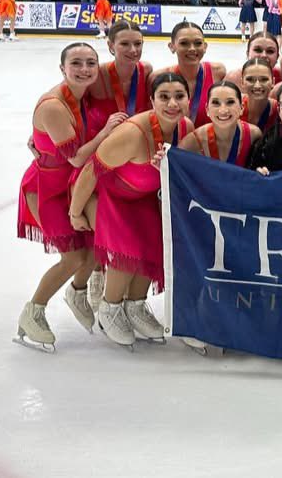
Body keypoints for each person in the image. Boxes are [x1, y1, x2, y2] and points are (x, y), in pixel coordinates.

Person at [68, 72, 193, 347]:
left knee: (157, 244)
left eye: (179, 96)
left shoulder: (185, 127)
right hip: (107, 193)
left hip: (144, 197)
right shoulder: (133, 135)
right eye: (164, 97)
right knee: (128, 250)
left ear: (188, 99)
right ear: (152, 100)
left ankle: (135, 305)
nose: (172, 103)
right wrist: (75, 212)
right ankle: (109, 307)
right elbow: (89, 172)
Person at [15, 43, 127, 351]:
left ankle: (77, 291)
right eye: (76, 63)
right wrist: (104, 133)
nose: (85, 69)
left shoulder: (83, 95)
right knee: (73, 257)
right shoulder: (54, 105)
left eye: (91, 63)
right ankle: (33, 312)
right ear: (62, 68)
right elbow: (76, 158)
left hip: (72, 183)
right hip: (47, 188)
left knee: (93, 249)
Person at [152, 22, 227, 128]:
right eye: (184, 43)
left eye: (198, 43)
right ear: (172, 47)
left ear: (205, 47)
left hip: (207, 142)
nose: (192, 48)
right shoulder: (158, 78)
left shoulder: (218, 72)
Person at [180, 79, 261, 167]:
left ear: (242, 107)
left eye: (230, 102)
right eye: (216, 103)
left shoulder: (253, 135)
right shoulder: (193, 142)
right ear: (207, 109)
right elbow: (173, 167)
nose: (223, 110)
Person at [238, 57, 279, 133]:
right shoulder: (233, 107)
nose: (257, 85)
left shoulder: (280, 110)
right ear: (242, 82)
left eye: (264, 79)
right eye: (250, 79)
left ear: (273, 82)